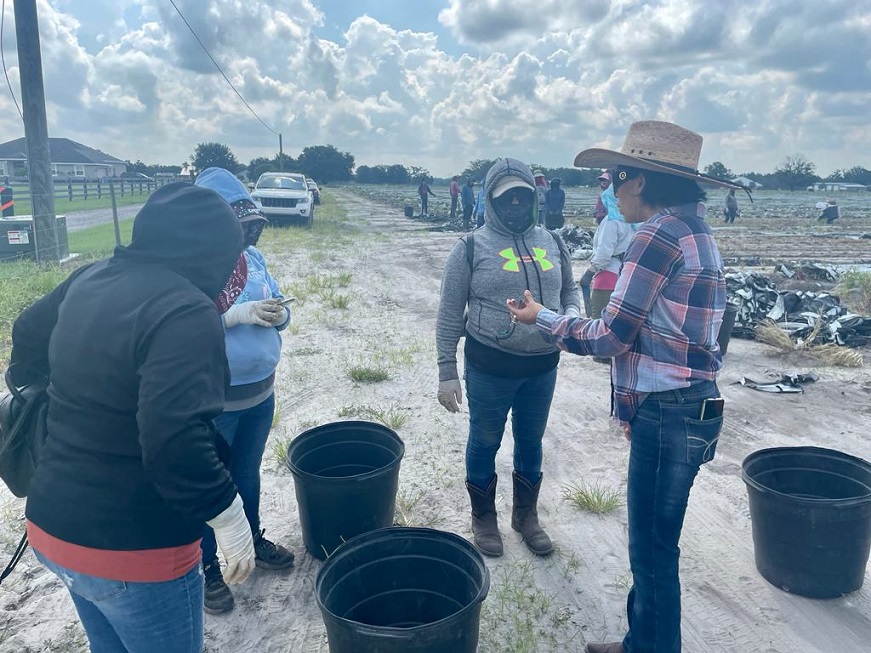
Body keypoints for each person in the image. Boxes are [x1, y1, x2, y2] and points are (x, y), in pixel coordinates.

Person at [507, 121, 732, 653]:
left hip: (669, 411)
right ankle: (641, 641)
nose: (608, 189)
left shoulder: (657, 236)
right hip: (692, 404)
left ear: (639, 181)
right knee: (658, 542)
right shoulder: (699, 234)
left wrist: (544, 318)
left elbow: (610, 336)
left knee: (653, 549)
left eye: (613, 177)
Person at [11, 183, 255, 653]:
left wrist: (74, 404)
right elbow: (175, 440)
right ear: (213, 251)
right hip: (135, 548)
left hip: (53, 528)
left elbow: (26, 335)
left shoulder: (92, 276)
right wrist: (227, 514)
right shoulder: (186, 310)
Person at [436, 158, 581, 559]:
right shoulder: (469, 247)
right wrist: (447, 370)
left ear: (534, 198)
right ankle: (483, 517)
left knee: (531, 441)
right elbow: (450, 312)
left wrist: (570, 317)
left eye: (523, 196)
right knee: (485, 440)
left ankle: (525, 516)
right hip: (489, 367)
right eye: (506, 198)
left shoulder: (552, 241)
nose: (515, 204)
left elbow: (571, 290)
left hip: (542, 367)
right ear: (490, 200)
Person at [194, 168, 295, 614]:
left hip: (259, 394)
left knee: (247, 475)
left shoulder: (253, 260)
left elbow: (276, 299)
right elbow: (183, 325)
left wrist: (278, 314)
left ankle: (252, 540)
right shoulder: (195, 265)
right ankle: (209, 570)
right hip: (219, 400)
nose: (245, 236)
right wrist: (236, 315)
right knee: (210, 484)